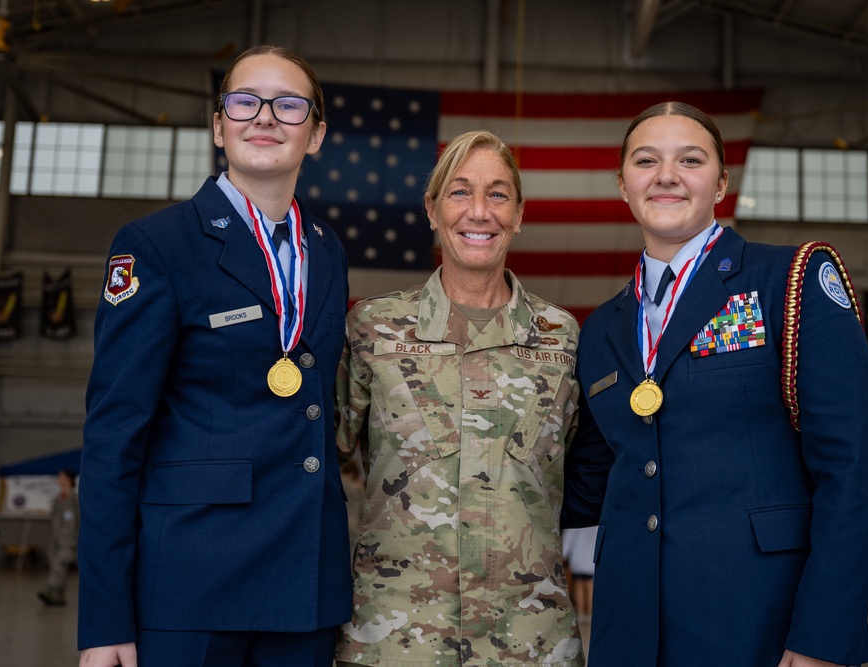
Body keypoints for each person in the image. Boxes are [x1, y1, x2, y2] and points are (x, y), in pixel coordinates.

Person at [561, 102, 868, 667]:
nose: (666, 175)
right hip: (628, 632)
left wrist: (823, 639)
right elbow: (587, 482)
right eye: (645, 160)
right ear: (622, 184)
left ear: (721, 183)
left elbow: (850, 471)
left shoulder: (791, 279)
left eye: (690, 159)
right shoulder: (599, 329)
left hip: (759, 625)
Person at [77, 45, 352, 667]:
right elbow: (114, 437)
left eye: (289, 105)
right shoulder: (156, 245)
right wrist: (104, 617)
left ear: (316, 135)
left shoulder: (327, 250)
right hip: (189, 587)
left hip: (304, 583)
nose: (265, 117)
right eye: (243, 101)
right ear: (217, 124)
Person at [335, 130, 584, 666]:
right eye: (459, 192)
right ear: (431, 209)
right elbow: (310, 465)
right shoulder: (372, 328)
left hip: (530, 641)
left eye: (497, 194)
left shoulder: (561, 337)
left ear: (519, 214)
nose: (479, 211)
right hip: (397, 640)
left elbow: (591, 473)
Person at [37, 469, 80, 607]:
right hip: (56, 538)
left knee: (60, 566)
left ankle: (51, 590)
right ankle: (58, 596)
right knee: (55, 563)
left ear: (68, 479)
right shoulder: (58, 498)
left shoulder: (75, 499)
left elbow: (78, 520)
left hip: (69, 540)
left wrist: (76, 540)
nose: (59, 479)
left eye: (61, 477)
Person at [561, 526, 597, 623]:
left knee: (579, 585)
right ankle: (590, 614)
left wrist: (562, 555)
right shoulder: (598, 521)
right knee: (590, 585)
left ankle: (581, 613)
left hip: (578, 558)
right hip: (592, 559)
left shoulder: (574, 523)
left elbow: (567, 541)